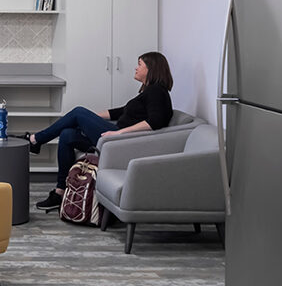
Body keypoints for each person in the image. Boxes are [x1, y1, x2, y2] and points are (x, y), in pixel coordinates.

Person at [21, 52, 175, 210]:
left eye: (140, 64)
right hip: (118, 138)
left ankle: (34, 140)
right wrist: (87, 118)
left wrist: (118, 133)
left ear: (152, 69)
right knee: (67, 134)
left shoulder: (157, 91)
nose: (136, 68)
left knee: (78, 112)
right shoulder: (149, 91)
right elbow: (119, 112)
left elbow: (156, 121)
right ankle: (60, 192)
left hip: (121, 142)